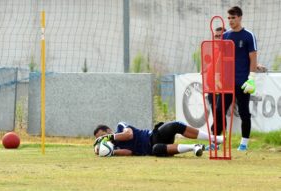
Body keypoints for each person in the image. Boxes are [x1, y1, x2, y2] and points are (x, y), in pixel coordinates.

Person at [214, 6, 257, 151]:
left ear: (240, 17)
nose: (231, 20)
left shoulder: (249, 35)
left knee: (244, 112)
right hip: (226, 81)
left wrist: (251, 78)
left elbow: (253, 58)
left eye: (233, 18)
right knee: (219, 110)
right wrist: (217, 76)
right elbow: (220, 57)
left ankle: (244, 144)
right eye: (229, 18)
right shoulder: (226, 36)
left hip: (243, 81)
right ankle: (216, 142)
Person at [93, 121, 224, 157]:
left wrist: (109, 137)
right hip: (153, 149)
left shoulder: (120, 127)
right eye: (100, 139)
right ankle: (195, 147)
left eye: (102, 136)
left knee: (174, 125)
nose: (103, 140)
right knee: (157, 149)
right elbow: (129, 152)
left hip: (154, 136)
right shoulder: (114, 148)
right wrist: (108, 151)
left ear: (109, 131)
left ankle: (214, 139)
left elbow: (129, 135)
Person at [205, 27, 227, 151]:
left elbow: (242, 60)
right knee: (216, 114)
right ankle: (218, 141)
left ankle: (216, 141)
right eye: (216, 36)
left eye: (220, 36)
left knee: (219, 113)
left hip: (222, 88)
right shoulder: (213, 49)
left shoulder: (228, 49)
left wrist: (256, 65)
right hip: (210, 89)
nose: (218, 38)